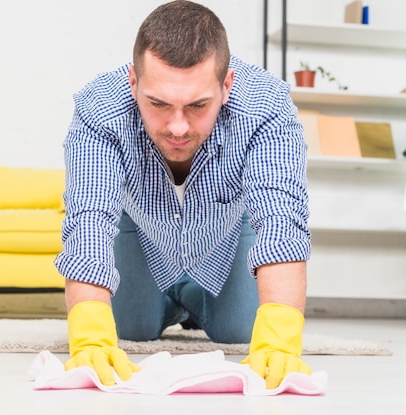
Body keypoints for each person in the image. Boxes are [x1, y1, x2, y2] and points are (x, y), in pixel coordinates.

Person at [54, 0, 312, 390]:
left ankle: (195, 303)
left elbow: (280, 217)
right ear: (133, 83)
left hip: (225, 236)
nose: (177, 126)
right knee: (131, 329)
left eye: (197, 105)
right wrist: (89, 335)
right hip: (139, 231)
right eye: (158, 104)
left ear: (227, 86)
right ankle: (169, 302)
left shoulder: (266, 107)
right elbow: (89, 216)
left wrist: (281, 338)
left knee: (239, 332)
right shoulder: (100, 108)